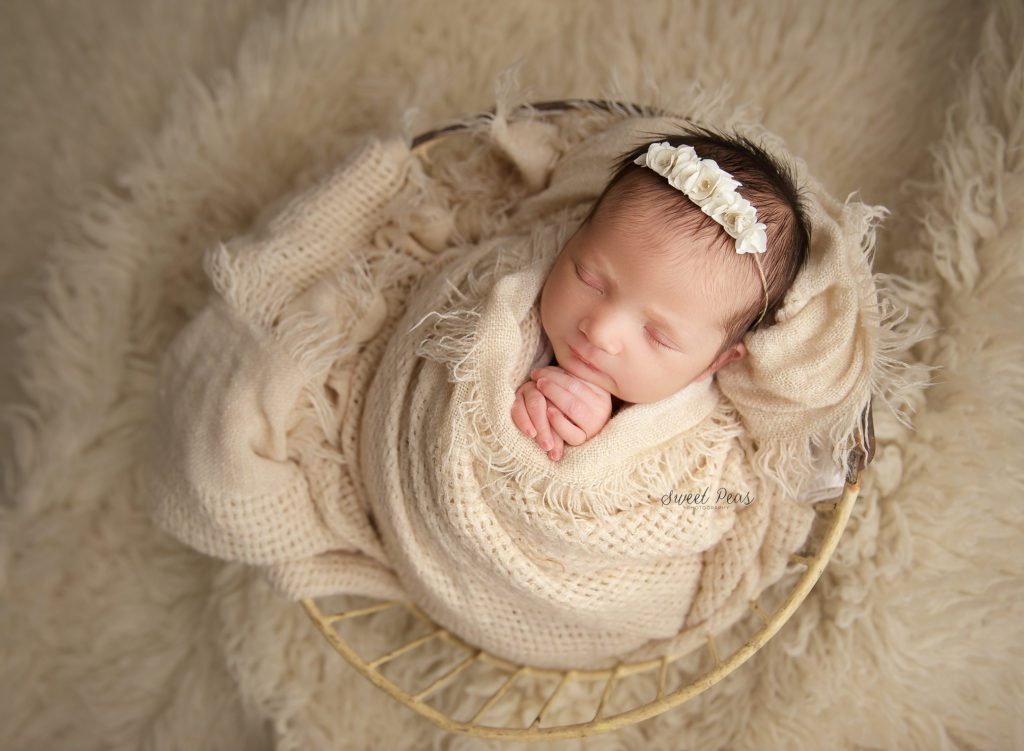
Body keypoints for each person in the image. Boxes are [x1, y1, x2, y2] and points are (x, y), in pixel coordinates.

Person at [511, 125, 812, 461]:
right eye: (589, 279)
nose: (600, 332)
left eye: (658, 337)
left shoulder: (692, 433)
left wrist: (596, 436)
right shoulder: (512, 317)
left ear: (713, 364)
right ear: (572, 237)